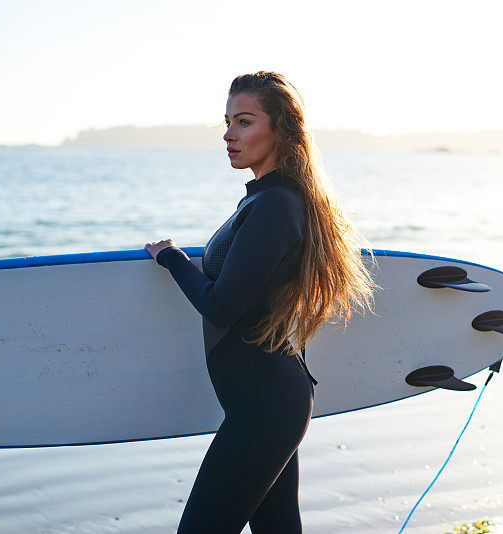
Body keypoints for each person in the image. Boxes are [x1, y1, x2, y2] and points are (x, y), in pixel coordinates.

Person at [144, 71, 378, 534]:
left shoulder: (275, 204)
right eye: (227, 122)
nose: (229, 135)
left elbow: (221, 306)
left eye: (245, 122)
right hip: (268, 403)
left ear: (282, 130)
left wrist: (171, 257)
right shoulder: (271, 200)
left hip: (264, 406)